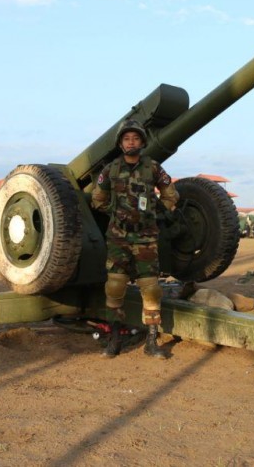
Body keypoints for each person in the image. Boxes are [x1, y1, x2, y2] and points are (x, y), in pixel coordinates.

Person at [91, 120, 179, 359]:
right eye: (127, 139)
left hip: (145, 238)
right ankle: (115, 340)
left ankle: (151, 341)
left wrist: (156, 212)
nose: (131, 142)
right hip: (118, 237)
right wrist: (115, 211)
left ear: (142, 142)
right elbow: (97, 198)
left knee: (151, 290)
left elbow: (171, 195)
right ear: (121, 143)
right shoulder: (111, 170)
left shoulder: (152, 168)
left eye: (136, 138)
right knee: (115, 287)